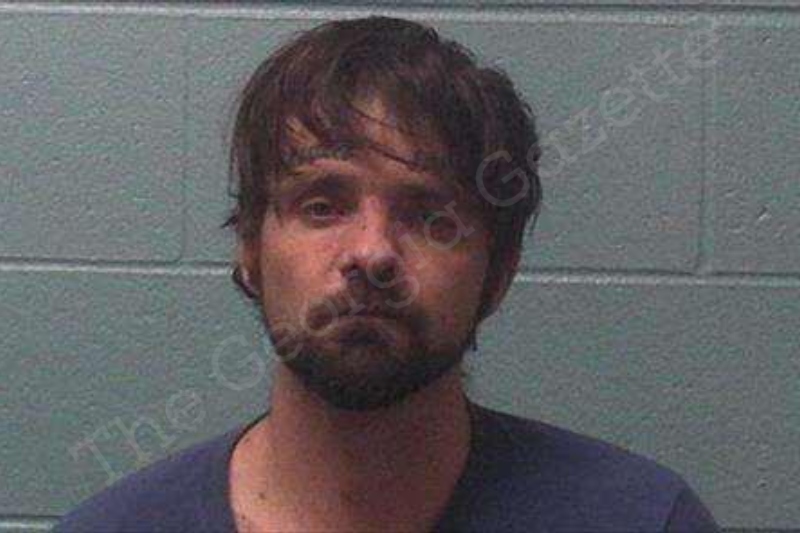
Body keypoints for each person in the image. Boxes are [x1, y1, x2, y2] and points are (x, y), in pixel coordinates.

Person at [55, 16, 719, 532]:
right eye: (322, 206)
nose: (371, 252)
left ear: (497, 274)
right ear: (251, 251)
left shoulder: (641, 519)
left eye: (430, 217)